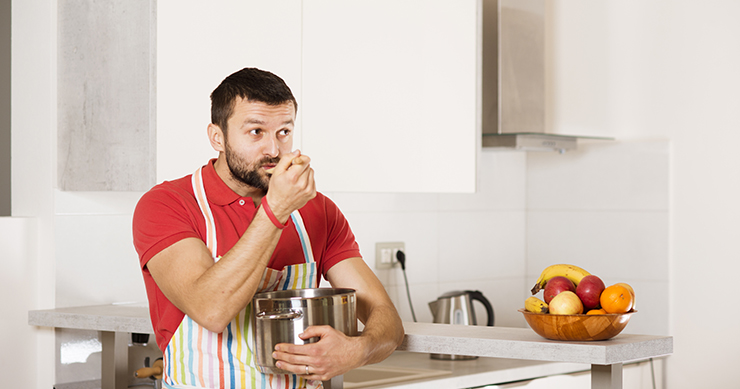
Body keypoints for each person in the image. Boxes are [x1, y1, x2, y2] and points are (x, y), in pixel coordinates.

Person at [132, 67, 404, 389]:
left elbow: (386, 318)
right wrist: (276, 210)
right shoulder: (168, 204)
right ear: (217, 137)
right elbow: (211, 310)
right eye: (256, 132)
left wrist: (357, 350)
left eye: (284, 132)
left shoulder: (318, 211)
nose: (274, 150)